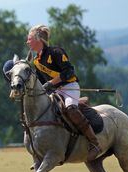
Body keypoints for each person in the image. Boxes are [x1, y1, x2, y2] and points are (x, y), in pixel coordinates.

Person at [26, 24, 100, 160]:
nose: (27, 42)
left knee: (71, 109)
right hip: (56, 91)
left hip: (70, 86)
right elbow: (42, 81)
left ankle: (94, 143)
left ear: (38, 39)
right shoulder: (36, 60)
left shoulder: (56, 52)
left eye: (29, 39)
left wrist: (50, 83)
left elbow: (69, 71)